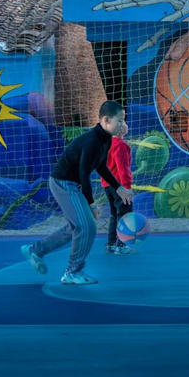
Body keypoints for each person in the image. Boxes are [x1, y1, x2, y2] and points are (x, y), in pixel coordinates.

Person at [21, 101, 134, 285]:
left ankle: (36, 250)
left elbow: (101, 167)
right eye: (119, 121)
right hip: (64, 183)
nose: (123, 124)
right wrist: (92, 204)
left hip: (71, 184)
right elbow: (83, 174)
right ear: (106, 120)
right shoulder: (92, 141)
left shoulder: (105, 139)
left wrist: (119, 188)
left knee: (75, 227)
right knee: (87, 226)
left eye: (124, 120)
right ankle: (73, 272)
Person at [101, 121, 134, 255]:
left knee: (114, 214)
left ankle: (111, 243)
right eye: (123, 122)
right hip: (119, 186)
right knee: (125, 215)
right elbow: (123, 168)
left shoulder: (107, 143)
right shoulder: (120, 144)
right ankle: (121, 244)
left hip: (108, 185)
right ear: (121, 129)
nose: (126, 125)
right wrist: (127, 187)